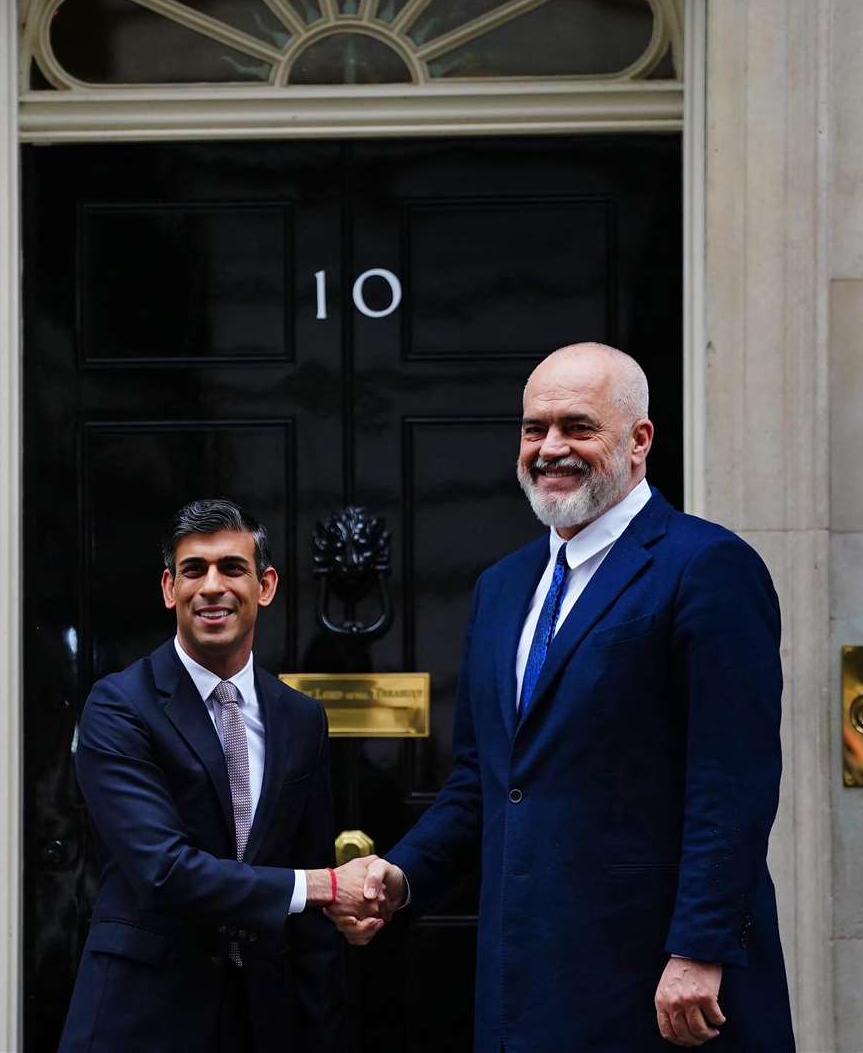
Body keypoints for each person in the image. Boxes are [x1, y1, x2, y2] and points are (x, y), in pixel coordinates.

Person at [333, 344, 795, 1050]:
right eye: (533, 429)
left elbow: (732, 783)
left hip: (659, 983)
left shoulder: (706, 567)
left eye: (577, 427)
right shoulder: (502, 587)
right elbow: (481, 782)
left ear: (639, 440)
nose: (549, 448)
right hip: (526, 981)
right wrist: (401, 875)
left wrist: (700, 950)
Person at [59, 498, 371, 1053]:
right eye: (193, 570)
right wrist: (320, 885)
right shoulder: (119, 707)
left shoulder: (301, 719)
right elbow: (163, 870)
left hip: (264, 1018)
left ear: (266, 586)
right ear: (168, 588)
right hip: (144, 1016)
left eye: (232, 567)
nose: (211, 586)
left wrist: (323, 1029)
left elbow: (315, 926)